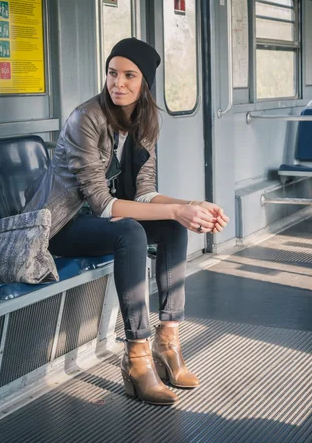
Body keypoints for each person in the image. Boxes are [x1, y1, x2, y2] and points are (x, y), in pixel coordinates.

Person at [24, 37, 229, 406]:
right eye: (112, 73)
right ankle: (137, 355)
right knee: (132, 232)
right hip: (61, 226)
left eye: (129, 75)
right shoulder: (86, 118)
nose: (118, 83)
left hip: (104, 221)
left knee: (170, 227)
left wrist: (193, 206)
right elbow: (102, 204)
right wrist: (175, 209)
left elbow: (146, 192)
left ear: (144, 83)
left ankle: (168, 341)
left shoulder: (147, 121)